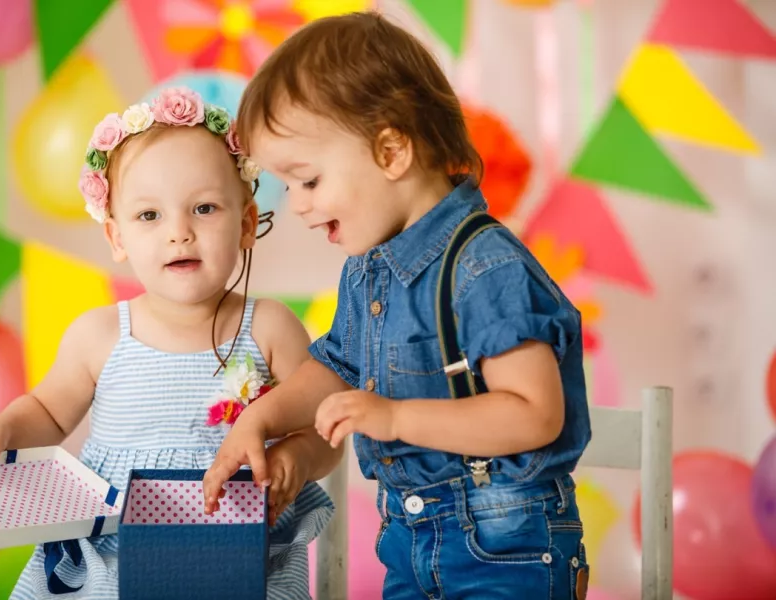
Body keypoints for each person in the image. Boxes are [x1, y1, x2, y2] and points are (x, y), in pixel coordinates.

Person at [203, 12, 592, 599]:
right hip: (410, 542)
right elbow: (334, 369)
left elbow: (536, 414)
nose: (299, 205)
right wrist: (261, 419)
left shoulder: (483, 266)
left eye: (307, 181)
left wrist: (393, 418)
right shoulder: (368, 270)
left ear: (390, 151)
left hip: (507, 553)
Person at [0, 87, 338, 600]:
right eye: (149, 216)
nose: (179, 232)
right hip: (116, 551)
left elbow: (324, 426)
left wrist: (299, 459)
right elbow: (47, 410)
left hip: (240, 549)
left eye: (203, 208)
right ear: (116, 237)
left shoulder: (267, 327)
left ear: (246, 224)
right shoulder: (100, 335)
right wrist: (4, 428)